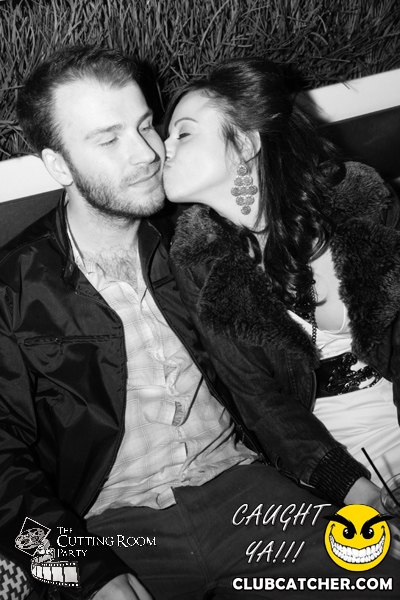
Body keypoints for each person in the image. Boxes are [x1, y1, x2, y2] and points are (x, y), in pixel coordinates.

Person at [0, 46, 398, 600]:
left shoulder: (203, 241)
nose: (147, 153)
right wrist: (82, 572)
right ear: (59, 165)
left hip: (249, 498)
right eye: (109, 140)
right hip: (108, 532)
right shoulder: (14, 288)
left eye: (146, 125)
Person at [164, 57, 400, 530]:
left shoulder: (362, 202)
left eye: (182, 133)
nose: (161, 148)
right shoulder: (199, 261)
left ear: (245, 143)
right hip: (324, 463)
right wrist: (356, 492)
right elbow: (258, 400)